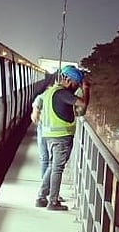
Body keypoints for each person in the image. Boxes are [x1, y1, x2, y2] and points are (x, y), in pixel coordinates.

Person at [35, 65, 91, 210]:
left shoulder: (51, 92)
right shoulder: (63, 94)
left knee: (53, 166)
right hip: (61, 137)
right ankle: (53, 202)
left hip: (51, 135)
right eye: (76, 84)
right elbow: (83, 104)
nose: (75, 87)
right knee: (57, 169)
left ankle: (41, 197)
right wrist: (86, 89)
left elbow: (79, 112)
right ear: (68, 79)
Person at [30, 92, 48, 178]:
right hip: (59, 134)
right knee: (54, 162)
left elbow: (34, 117)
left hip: (44, 129)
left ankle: (45, 185)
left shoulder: (43, 97)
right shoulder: (66, 96)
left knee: (44, 158)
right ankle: (49, 185)